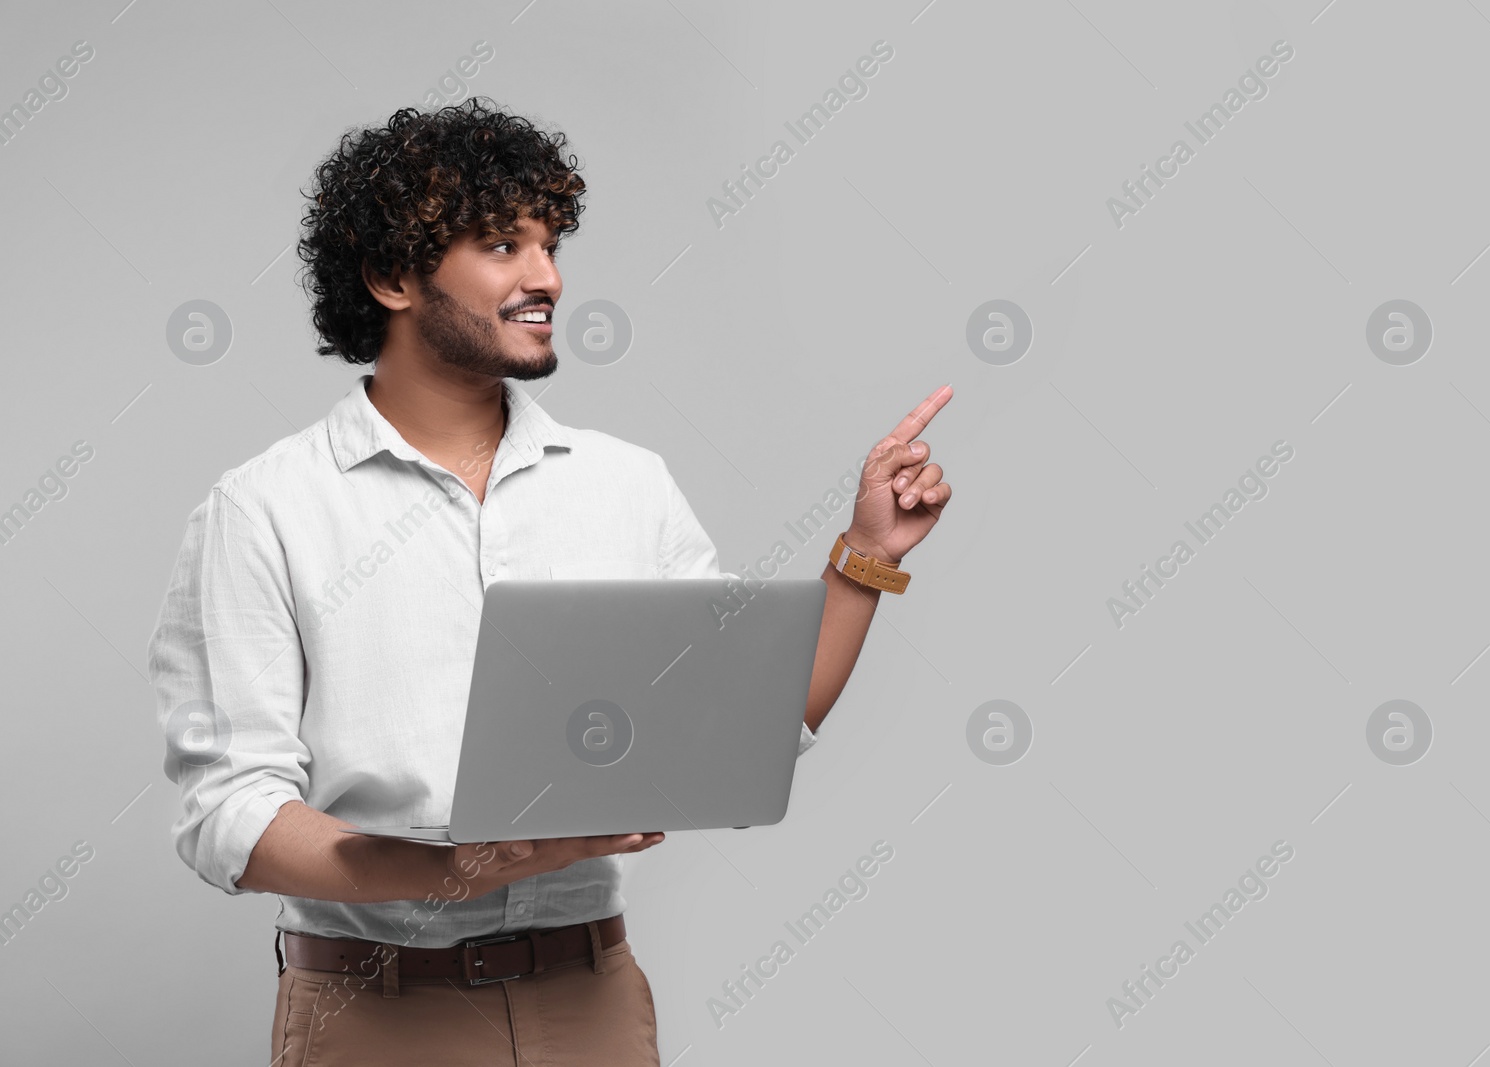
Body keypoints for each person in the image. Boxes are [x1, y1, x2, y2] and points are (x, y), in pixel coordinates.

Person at [147, 98, 953, 1065]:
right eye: (502, 245)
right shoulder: (264, 508)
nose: (548, 278)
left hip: (592, 1004)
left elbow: (746, 723)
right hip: (375, 1011)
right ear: (390, 277)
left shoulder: (627, 481)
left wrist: (864, 557)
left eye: (551, 243)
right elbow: (228, 813)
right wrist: (447, 869)